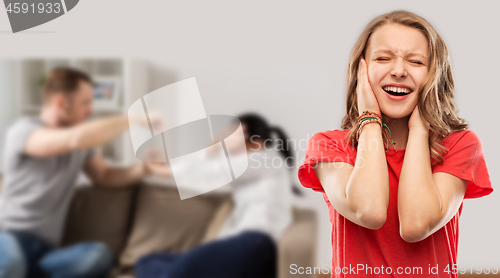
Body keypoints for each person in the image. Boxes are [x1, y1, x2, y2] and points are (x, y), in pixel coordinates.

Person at [298, 10, 493, 278]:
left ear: (434, 75)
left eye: (415, 61)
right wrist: (370, 120)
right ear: (361, 70)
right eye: (383, 58)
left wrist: (419, 128)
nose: (398, 71)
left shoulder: (460, 145)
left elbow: (415, 225)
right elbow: (369, 211)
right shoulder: (329, 146)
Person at [0, 67, 161, 278]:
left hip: (46, 250)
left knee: (99, 255)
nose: (90, 109)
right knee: (12, 263)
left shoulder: (80, 145)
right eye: (85, 103)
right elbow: (73, 139)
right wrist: (132, 119)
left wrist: (144, 169)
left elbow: (103, 175)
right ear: (60, 103)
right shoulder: (24, 131)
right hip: (7, 236)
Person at [134, 113, 297, 278]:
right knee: (147, 262)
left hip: (256, 245)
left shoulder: (267, 159)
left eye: (233, 133)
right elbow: (204, 174)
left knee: (175, 273)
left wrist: (159, 170)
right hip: (235, 246)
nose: (227, 138)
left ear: (253, 140)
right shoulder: (245, 174)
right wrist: (213, 146)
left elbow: (214, 171)